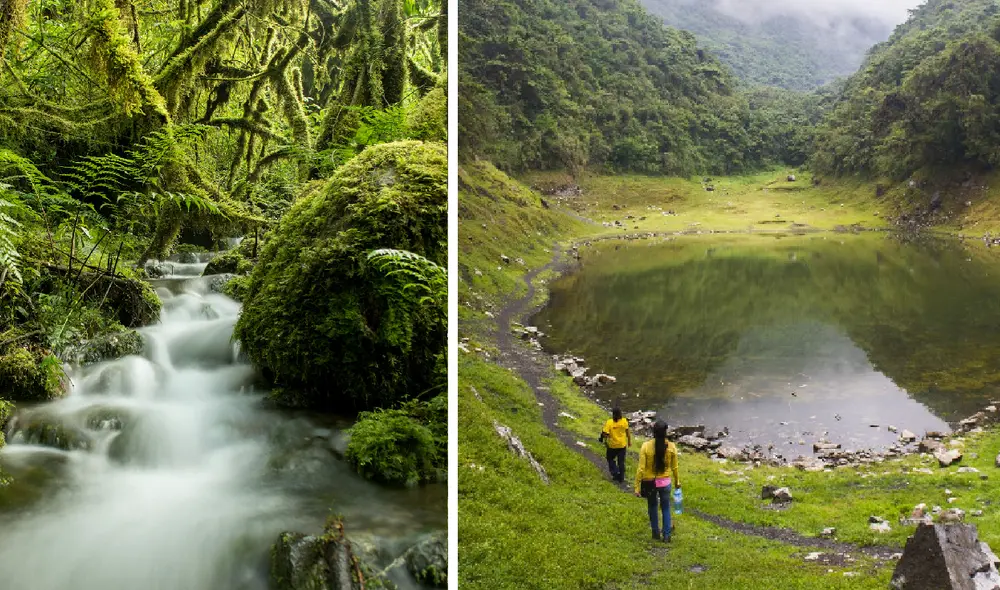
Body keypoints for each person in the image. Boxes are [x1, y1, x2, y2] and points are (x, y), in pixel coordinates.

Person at [634, 419, 680, 542]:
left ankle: (655, 532)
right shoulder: (671, 447)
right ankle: (666, 535)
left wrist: (637, 485)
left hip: (650, 483)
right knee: (665, 507)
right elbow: (674, 467)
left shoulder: (646, 446)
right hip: (665, 482)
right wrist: (677, 482)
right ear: (665, 433)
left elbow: (641, 468)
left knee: (652, 506)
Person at [599, 406, 630, 482]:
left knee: (610, 459)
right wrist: (629, 441)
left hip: (612, 445)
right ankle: (621, 477)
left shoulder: (609, 422)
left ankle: (615, 472)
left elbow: (604, 433)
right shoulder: (624, 421)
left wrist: (609, 437)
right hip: (622, 445)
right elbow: (627, 433)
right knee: (621, 461)